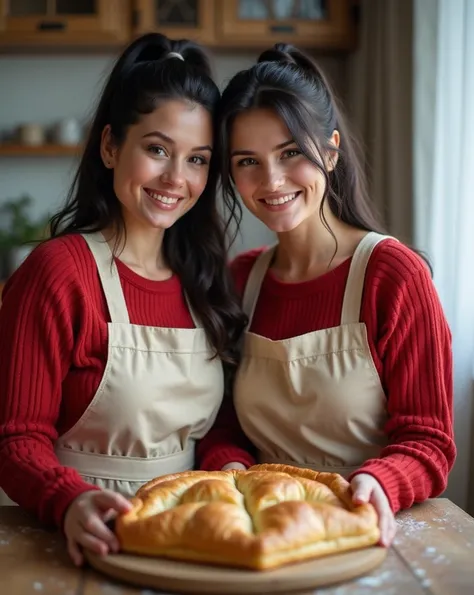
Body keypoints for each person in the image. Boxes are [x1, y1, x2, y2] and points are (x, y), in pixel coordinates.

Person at [0, 32, 246, 565]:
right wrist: (70, 501)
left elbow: (216, 427)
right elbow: (15, 438)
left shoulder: (204, 281)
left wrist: (228, 466)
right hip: (72, 539)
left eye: (198, 159)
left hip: (186, 535)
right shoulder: (59, 272)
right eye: (157, 149)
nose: (176, 179)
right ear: (111, 146)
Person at [197, 43, 456, 546]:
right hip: (267, 526)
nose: (271, 181)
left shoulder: (392, 276)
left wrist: (377, 482)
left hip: (370, 526)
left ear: (331, 151)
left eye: (291, 153)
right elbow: (223, 422)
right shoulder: (241, 280)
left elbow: (428, 443)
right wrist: (230, 469)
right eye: (248, 161)